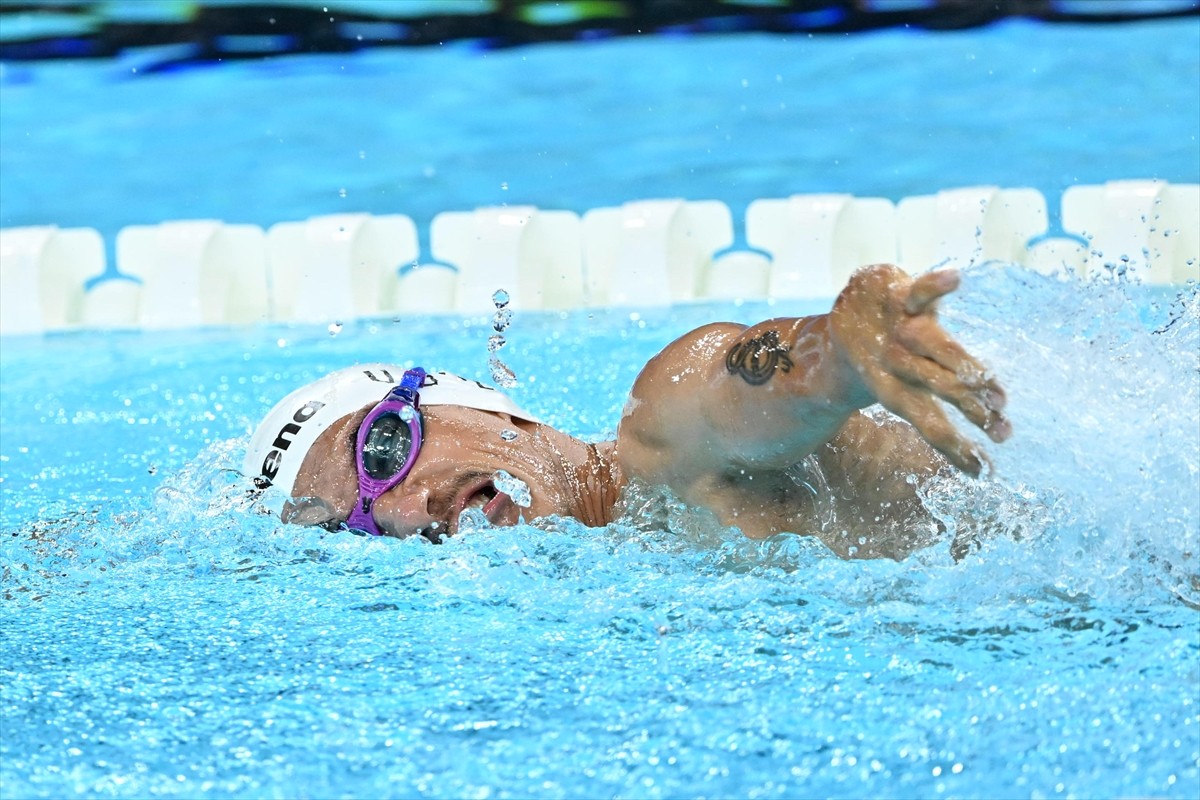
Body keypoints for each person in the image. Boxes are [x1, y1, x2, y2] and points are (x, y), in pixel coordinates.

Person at [244, 264, 1010, 560]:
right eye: (362, 524)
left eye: (381, 451)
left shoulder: (659, 438)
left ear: (484, 407)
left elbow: (732, 392)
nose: (409, 510)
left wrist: (840, 349)